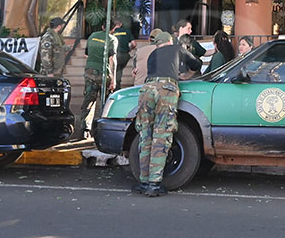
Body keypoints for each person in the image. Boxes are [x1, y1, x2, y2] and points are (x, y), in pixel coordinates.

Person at [133, 31, 201, 197]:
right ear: (170, 41)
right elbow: (196, 64)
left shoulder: (152, 55)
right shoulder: (177, 49)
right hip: (166, 89)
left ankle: (143, 181)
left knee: (145, 135)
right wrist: (187, 72)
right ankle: (154, 184)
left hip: (146, 90)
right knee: (161, 135)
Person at [77, 22, 118, 139]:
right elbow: (112, 58)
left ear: (102, 27)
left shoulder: (92, 36)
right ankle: (103, 129)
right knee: (105, 102)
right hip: (103, 73)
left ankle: (85, 130)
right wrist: (113, 78)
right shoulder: (112, 39)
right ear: (113, 29)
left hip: (90, 71)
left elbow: (86, 55)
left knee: (89, 100)